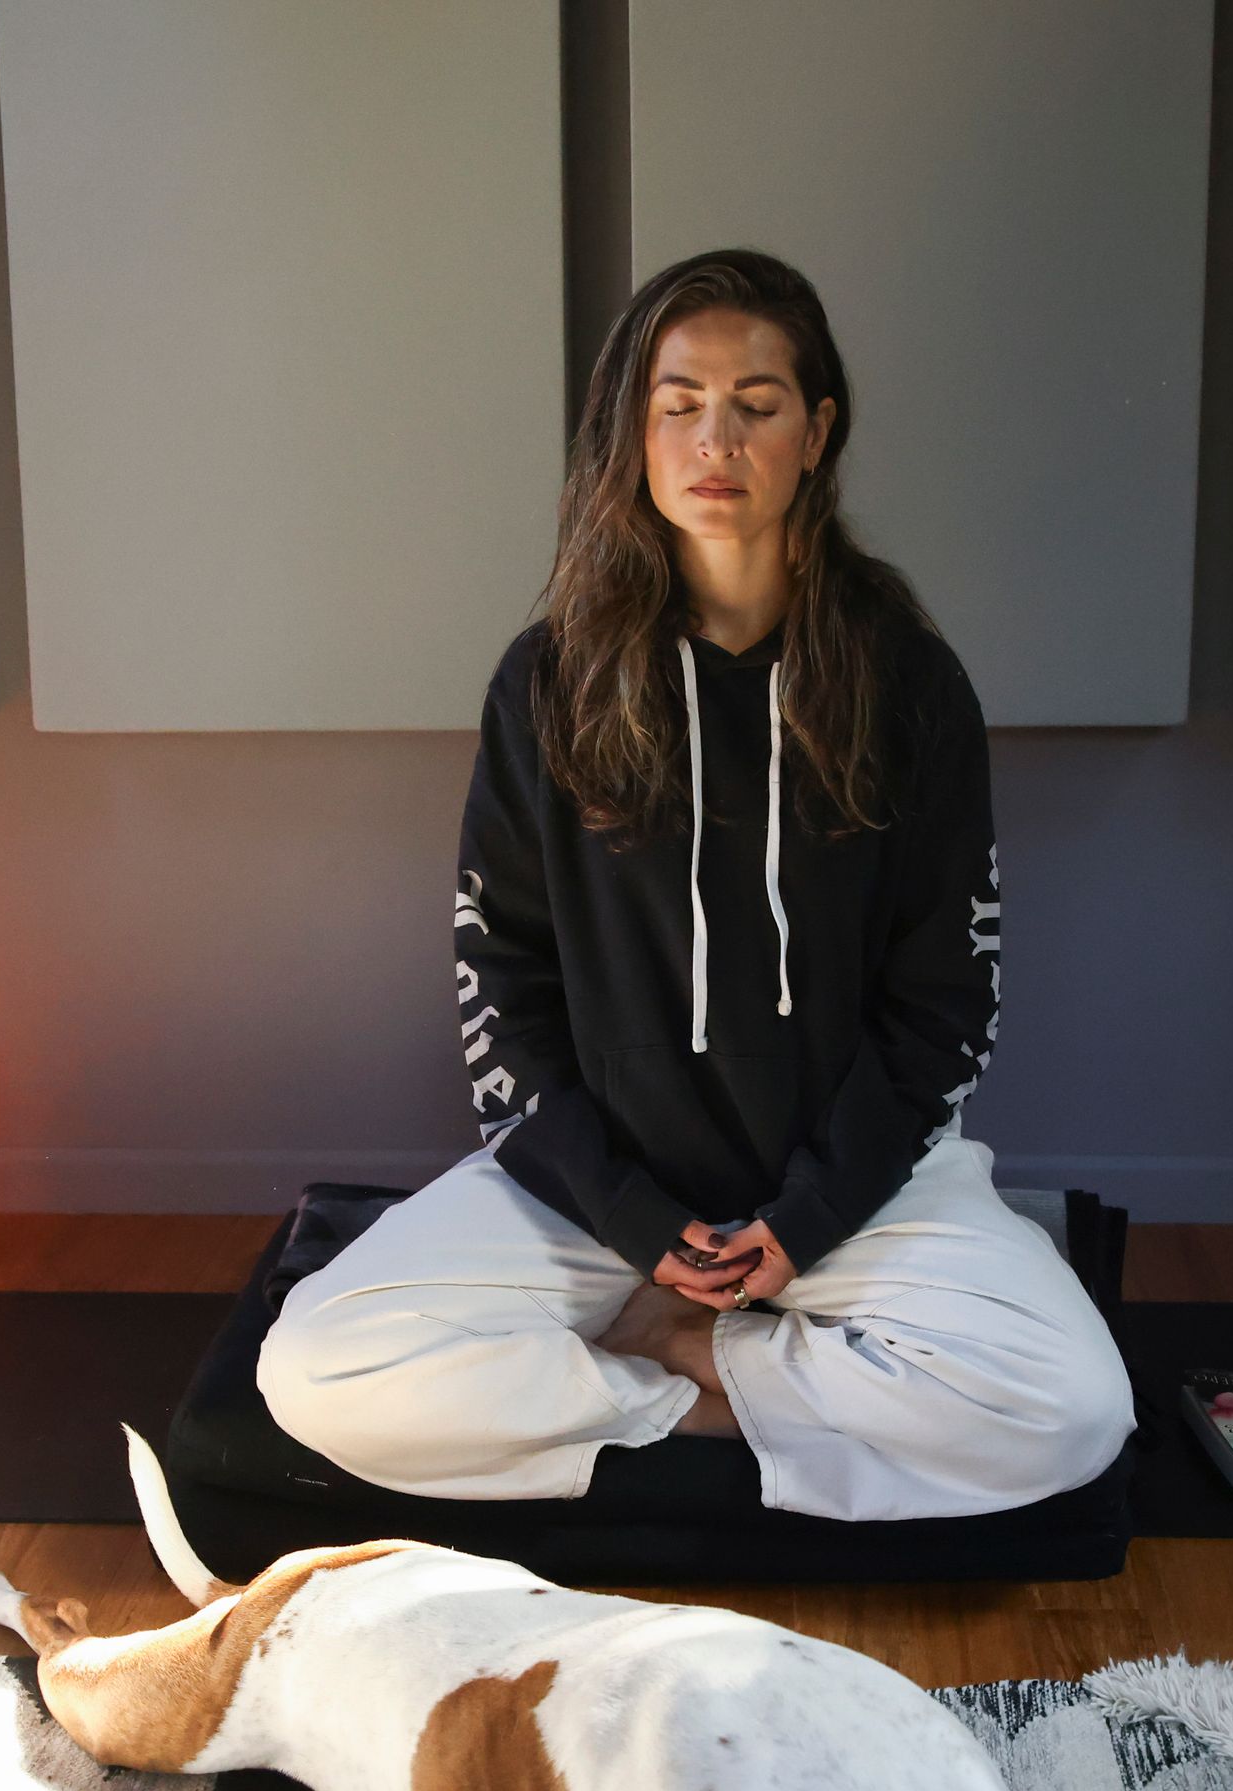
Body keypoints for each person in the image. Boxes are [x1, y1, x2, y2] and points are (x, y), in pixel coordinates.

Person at [257, 250, 1131, 1523]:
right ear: (637, 428)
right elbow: (501, 982)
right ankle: (701, 1390)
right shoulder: (550, 681)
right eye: (680, 402)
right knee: (317, 1367)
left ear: (817, 431)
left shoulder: (909, 682)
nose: (716, 437)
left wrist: (813, 1214)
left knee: (1073, 1409)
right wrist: (630, 1217)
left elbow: (947, 997)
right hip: (598, 1197)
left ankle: (684, 1353)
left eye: (758, 402)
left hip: (853, 1195)